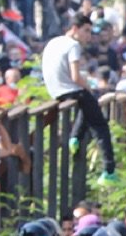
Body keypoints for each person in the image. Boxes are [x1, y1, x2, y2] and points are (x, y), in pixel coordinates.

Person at [41, 16, 117, 177]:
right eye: (86, 31)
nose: (88, 36)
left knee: (86, 105)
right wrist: (88, 86)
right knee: (100, 125)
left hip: (55, 91)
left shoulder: (53, 42)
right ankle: (108, 170)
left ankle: (75, 137)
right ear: (75, 28)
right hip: (71, 89)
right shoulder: (73, 45)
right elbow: (76, 76)